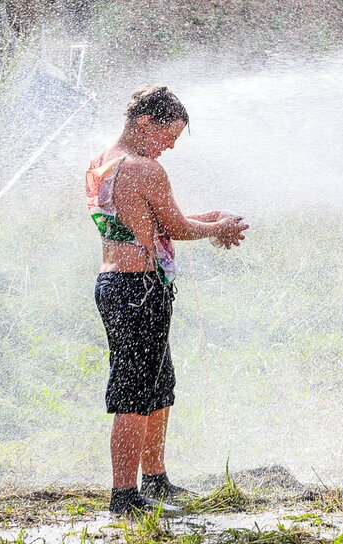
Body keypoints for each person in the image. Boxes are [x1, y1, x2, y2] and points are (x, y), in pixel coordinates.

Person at [86, 85, 249, 514]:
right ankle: (124, 497)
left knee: (158, 387)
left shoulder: (104, 161)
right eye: (168, 135)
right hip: (137, 289)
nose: (170, 146)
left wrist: (208, 219)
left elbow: (148, 218)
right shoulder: (145, 169)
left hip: (121, 284)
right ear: (144, 122)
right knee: (134, 394)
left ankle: (155, 481)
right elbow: (173, 226)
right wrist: (217, 228)